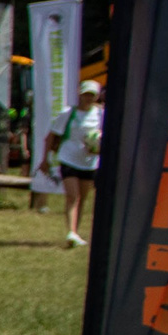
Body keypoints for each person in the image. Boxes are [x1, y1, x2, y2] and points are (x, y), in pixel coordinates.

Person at [42, 78, 105, 246]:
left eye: (92, 95)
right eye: (85, 95)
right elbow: (50, 137)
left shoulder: (101, 114)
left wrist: (97, 146)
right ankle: (71, 231)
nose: (88, 98)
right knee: (73, 196)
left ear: (97, 96)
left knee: (83, 198)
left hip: (89, 162)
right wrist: (44, 160)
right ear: (80, 95)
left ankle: (75, 232)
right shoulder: (68, 113)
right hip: (68, 159)